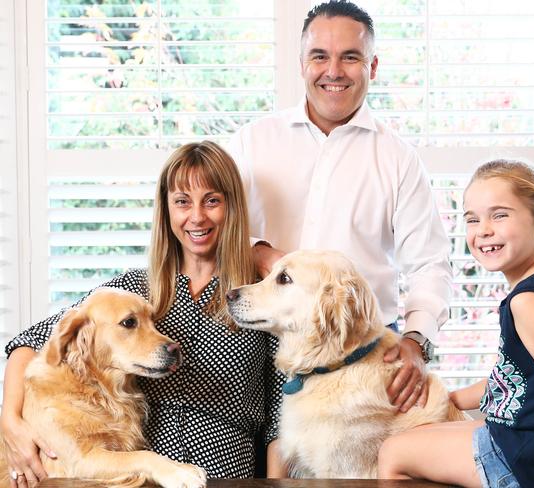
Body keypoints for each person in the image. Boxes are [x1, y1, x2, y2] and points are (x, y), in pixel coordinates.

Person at [1, 141, 285, 486]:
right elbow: (29, 342)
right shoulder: (134, 291)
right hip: (135, 476)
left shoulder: (260, 296)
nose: (197, 216)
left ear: (232, 207)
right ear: (166, 211)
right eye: (182, 202)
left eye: (212, 200)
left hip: (227, 476)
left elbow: (281, 418)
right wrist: (11, 420)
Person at [228, 0, 452, 412]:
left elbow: (430, 265)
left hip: (359, 358)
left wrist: (417, 341)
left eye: (350, 57)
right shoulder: (252, 142)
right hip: (256, 345)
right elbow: (208, 227)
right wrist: (259, 251)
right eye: (320, 57)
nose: (333, 71)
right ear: (301, 64)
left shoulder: (398, 157)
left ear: (373, 66)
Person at [377, 159, 534, 487]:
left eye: (500, 214)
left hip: (528, 459)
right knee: (424, 434)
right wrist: (448, 400)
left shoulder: (529, 302)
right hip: (526, 444)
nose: (483, 230)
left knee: (393, 452)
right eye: (472, 219)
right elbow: (513, 383)